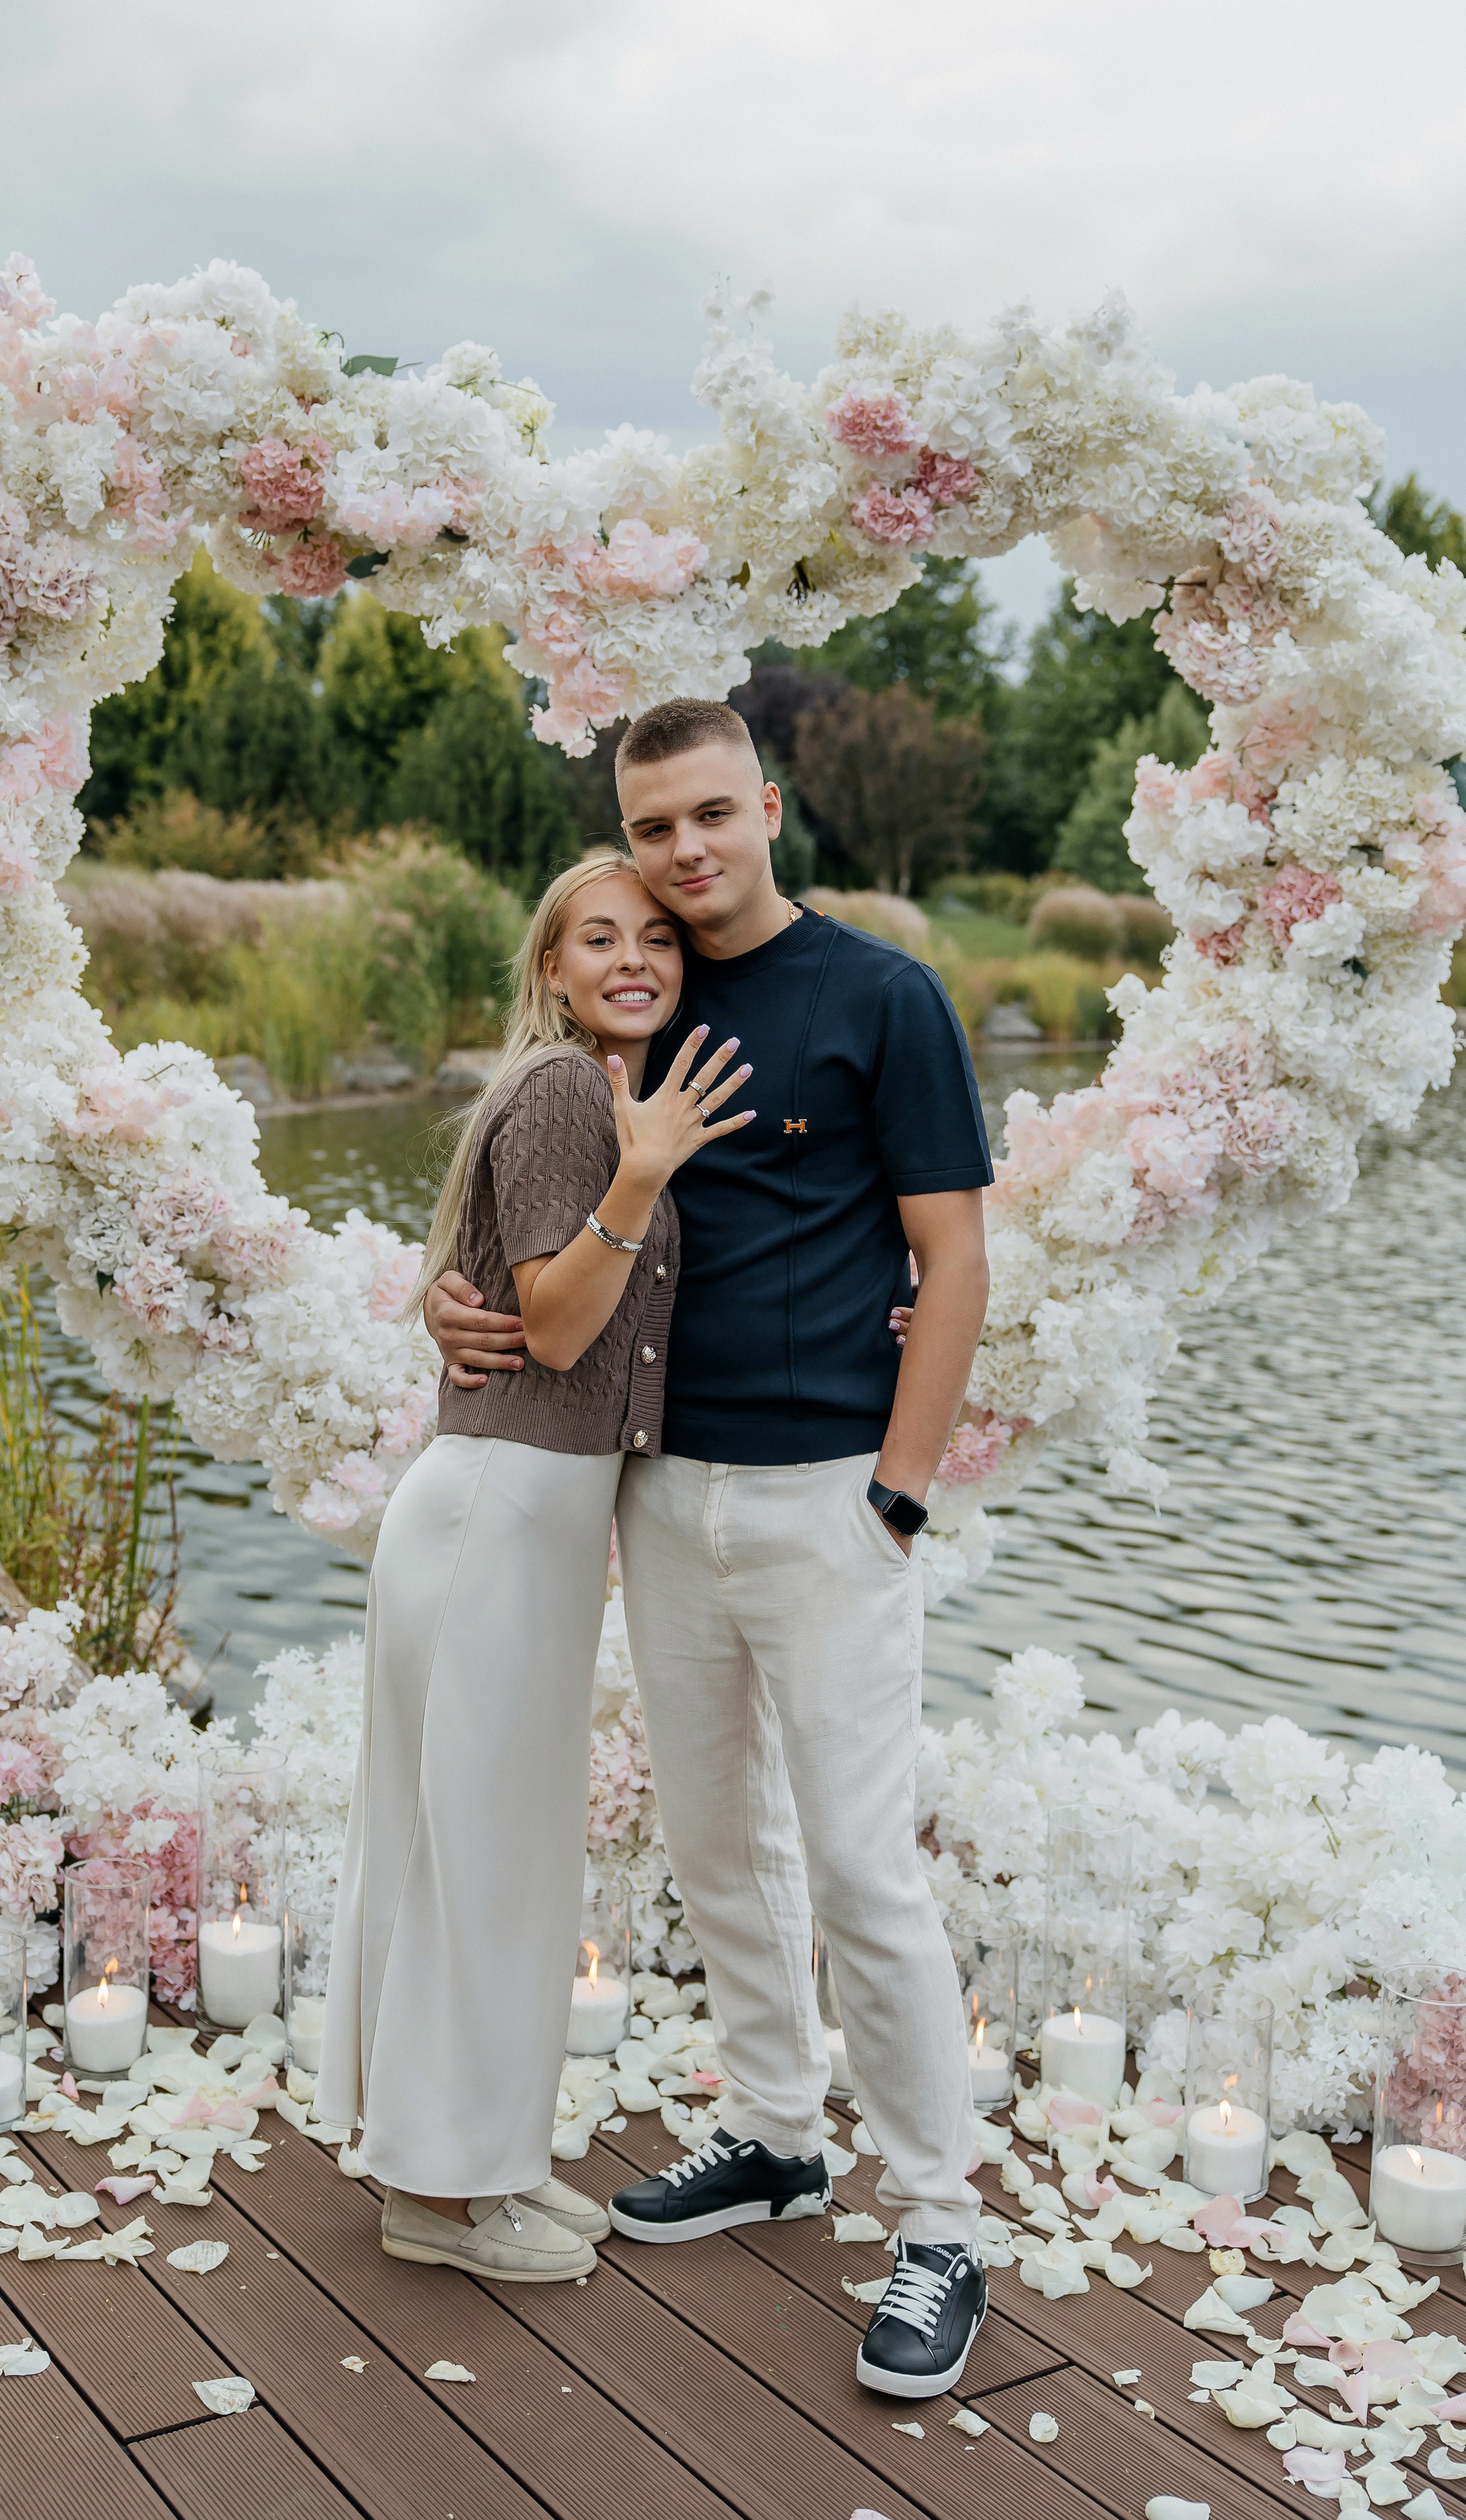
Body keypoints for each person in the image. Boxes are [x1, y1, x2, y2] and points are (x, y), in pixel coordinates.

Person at [425, 697, 994, 2395]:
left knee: (864, 1864)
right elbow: (531, 1223)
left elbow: (951, 1262)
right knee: (712, 1841)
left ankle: (944, 2216)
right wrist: (457, 1311)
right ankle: (772, 2130)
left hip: (833, 1497)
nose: (681, 854)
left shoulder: (883, 998)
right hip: (659, 1488)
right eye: (648, 826)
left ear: (766, 803)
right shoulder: (635, 1000)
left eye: (706, 818)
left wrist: (899, 1492)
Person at [314, 849, 753, 2284]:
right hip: (501, 1511)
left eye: (656, 941)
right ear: (551, 970)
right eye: (598, 940)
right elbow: (559, 1329)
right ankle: (440, 2197)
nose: (634, 961)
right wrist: (642, 1170)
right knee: (478, 1864)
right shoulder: (575, 1094)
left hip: (527, 1518)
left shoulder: (600, 1094)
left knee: (479, 1855)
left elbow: (510, 1288)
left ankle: (477, 2162)